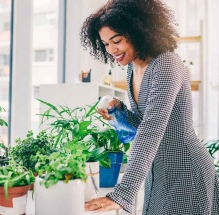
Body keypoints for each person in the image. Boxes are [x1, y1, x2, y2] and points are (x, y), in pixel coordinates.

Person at [80, 0, 219, 214]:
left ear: (138, 31)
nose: (111, 50)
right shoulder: (132, 70)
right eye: (106, 44)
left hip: (186, 170)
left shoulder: (166, 64)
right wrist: (122, 111)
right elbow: (142, 124)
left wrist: (123, 192)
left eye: (116, 40)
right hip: (158, 172)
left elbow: (152, 129)